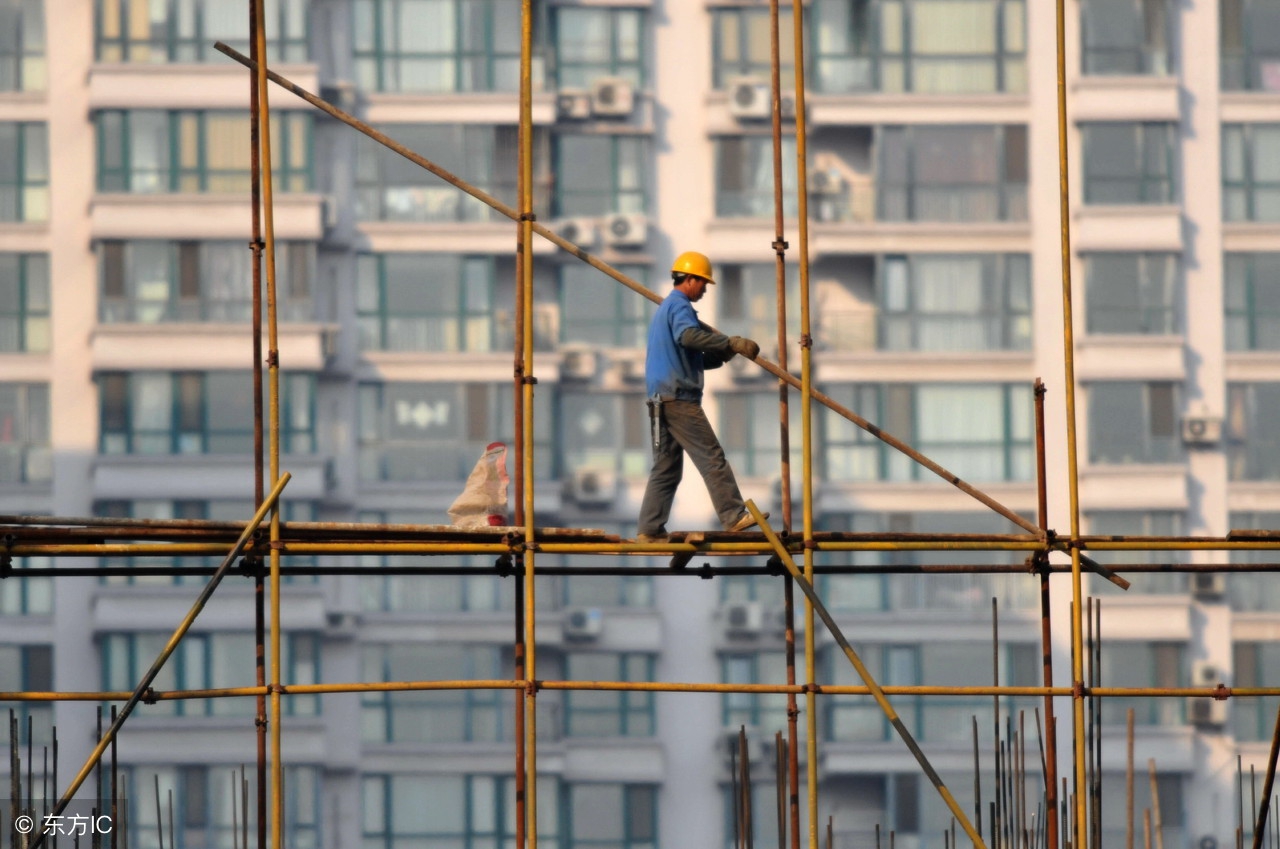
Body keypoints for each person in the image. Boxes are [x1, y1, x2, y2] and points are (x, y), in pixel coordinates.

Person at [636, 251, 766, 543]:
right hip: (679, 398)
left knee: (666, 468)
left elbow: (686, 355)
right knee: (712, 457)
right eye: (703, 283)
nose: (705, 290)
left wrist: (721, 355)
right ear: (690, 279)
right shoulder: (679, 306)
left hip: (660, 400)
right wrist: (729, 341)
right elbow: (688, 337)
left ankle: (649, 530)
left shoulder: (666, 310)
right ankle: (733, 515)